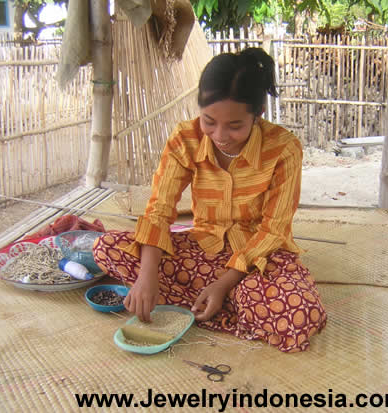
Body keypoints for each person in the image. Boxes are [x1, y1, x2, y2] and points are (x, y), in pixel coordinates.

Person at [93, 48, 327, 353]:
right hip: (202, 250)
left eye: (235, 126)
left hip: (258, 260)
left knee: (298, 317)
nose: (220, 135)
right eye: (209, 121)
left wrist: (223, 284)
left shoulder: (283, 149)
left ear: (258, 115)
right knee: (106, 247)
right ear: (200, 108)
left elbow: (273, 230)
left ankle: (213, 300)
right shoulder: (185, 139)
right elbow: (159, 210)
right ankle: (234, 306)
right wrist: (147, 275)